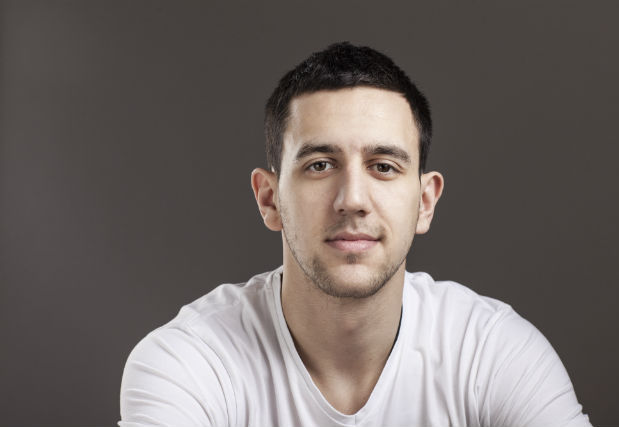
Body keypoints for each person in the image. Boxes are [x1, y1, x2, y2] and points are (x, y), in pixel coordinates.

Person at [119, 42, 591, 427]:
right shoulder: (190, 362)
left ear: (425, 202)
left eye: (383, 167)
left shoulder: (491, 351)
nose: (352, 199)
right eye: (320, 165)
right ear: (269, 199)